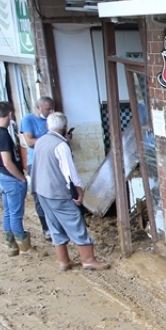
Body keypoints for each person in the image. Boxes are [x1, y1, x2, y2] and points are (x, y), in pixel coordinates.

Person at [30, 112, 110, 271]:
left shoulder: (40, 141)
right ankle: (88, 260)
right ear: (65, 127)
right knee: (75, 221)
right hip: (57, 192)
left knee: (54, 224)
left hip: (41, 190)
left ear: (47, 126)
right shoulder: (61, 146)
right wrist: (78, 191)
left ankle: (64, 262)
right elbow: (69, 173)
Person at [0, 101, 32, 257]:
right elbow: (7, 161)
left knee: (7, 212)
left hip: (2, 176)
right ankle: (25, 247)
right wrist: (22, 179)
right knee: (16, 214)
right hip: (11, 177)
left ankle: (11, 245)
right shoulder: (4, 135)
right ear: (11, 114)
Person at [19, 96, 55, 238]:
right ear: (39, 107)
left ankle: (55, 226)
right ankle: (46, 228)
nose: (51, 111)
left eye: (52, 108)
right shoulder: (27, 120)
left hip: (51, 161)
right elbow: (30, 142)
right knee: (39, 196)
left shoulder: (51, 119)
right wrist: (51, 139)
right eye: (48, 109)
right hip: (35, 162)